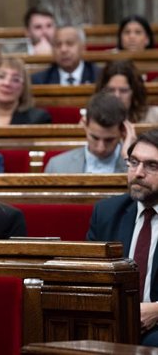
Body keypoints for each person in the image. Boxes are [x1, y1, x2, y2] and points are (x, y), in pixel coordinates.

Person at [87, 129, 158, 347]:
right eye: (133, 162)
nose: (137, 173)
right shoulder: (107, 212)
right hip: (111, 320)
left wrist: (156, 310)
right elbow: (89, 276)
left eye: (151, 166)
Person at [45, 92, 130, 173]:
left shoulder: (134, 167)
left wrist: (130, 155)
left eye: (109, 140)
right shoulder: (57, 166)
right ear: (84, 124)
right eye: (95, 138)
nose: (101, 148)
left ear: (123, 131)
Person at [0, 57, 52, 126]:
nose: (7, 83)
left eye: (15, 79)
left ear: (23, 87)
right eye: (1, 76)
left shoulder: (38, 119)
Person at [31, 26, 99, 85]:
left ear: (82, 48)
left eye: (70, 43)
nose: (63, 50)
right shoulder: (40, 81)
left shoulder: (98, 77)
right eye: (58, 45)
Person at [96, 60, 158, 124]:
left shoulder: (154, 117)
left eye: (123, 91)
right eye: (111, 90)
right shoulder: (93, 119)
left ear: (134, 92)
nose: (117, 96)